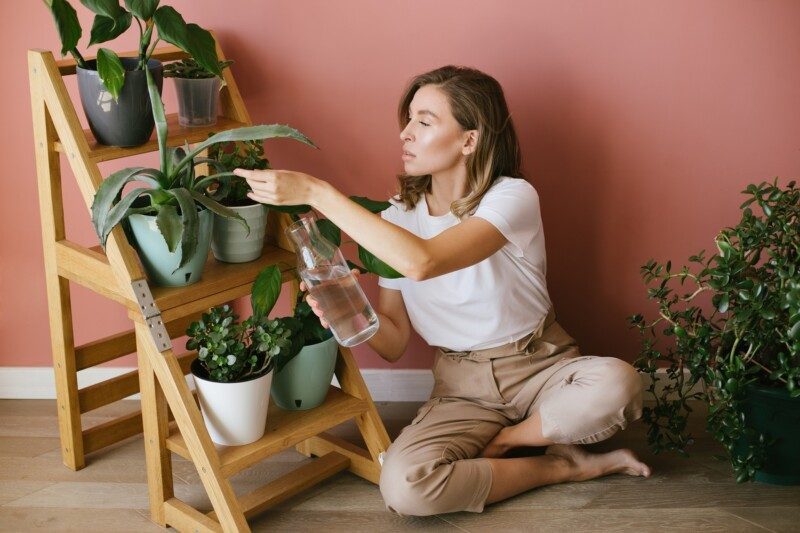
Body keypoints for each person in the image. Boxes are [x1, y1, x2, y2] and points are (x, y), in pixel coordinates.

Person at [234, 65, 650, 517]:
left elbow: (424, 261)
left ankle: (508, 440)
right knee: (405, 488)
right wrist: (350, 317)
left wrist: (317, 192)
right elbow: (393, 342)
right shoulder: (396, 221)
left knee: (618, 384)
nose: (406, 134)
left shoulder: (512, 197)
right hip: (460, 388)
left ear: (469, 140)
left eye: (425, 121)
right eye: (409, 119)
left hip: (540, 364)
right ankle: (561, 466)